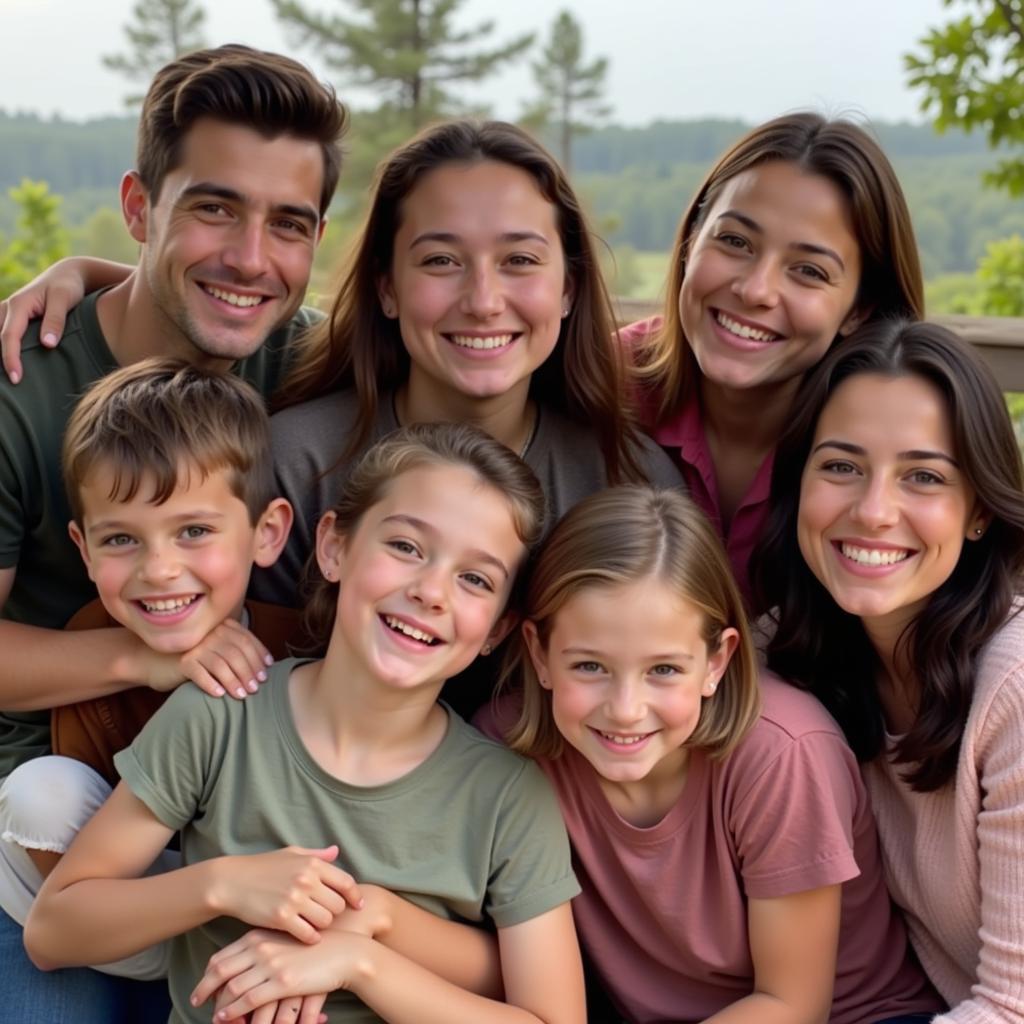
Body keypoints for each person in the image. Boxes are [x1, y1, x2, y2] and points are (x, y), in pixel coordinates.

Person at [0, 44, 344, 1020]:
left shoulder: (304, 358)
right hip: (41, 831)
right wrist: (151, 656)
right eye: (213, 208)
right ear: (142, 207)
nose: (250, 255)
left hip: (242, 816)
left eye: (288, 224)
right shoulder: (21, 386)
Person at [25, 423, 584, 1024]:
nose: (431, 592)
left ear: (497, 629)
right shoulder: (221, 715)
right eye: (405, 547)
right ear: (334, 547)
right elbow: (54, 931)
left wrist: (364, 964)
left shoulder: (507, 797)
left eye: (475, 579)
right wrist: (222, 885)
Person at [478, 486, 943, 1024]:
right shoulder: (509, 747)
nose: (626, 710)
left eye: (664, 670)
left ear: (717, 661)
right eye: (590, 667)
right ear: (539, 652)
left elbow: (791, 1004)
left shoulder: (782, 755)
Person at [254, 118, 682, 609]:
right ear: (387, 287)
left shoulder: (629, 481)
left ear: (568, 287)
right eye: (441, 260)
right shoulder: (295, 467)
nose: (483, 302)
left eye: (519, 260)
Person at [755, 319, 1024, 1022]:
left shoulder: (1016, 688)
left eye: (924, 477)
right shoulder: (789, 650)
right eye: (841, 466)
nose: (873, 511)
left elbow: (1010, 1008)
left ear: (977, 512)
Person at [0, 358, 296, 983]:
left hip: (280, 913)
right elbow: (83, 836)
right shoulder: (88, 642)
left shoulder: (301, 648)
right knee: (40, 793)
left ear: (266, 532)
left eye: (193, 530)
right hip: (134, 903)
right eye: (121, 540)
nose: (158, 570)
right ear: (83, 548)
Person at [622, 112, 924, 597]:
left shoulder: (893, 444)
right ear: (690, 242)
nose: (756, 290)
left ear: (859, 309)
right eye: (735, 242)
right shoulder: (595, 381)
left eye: (808, 270)